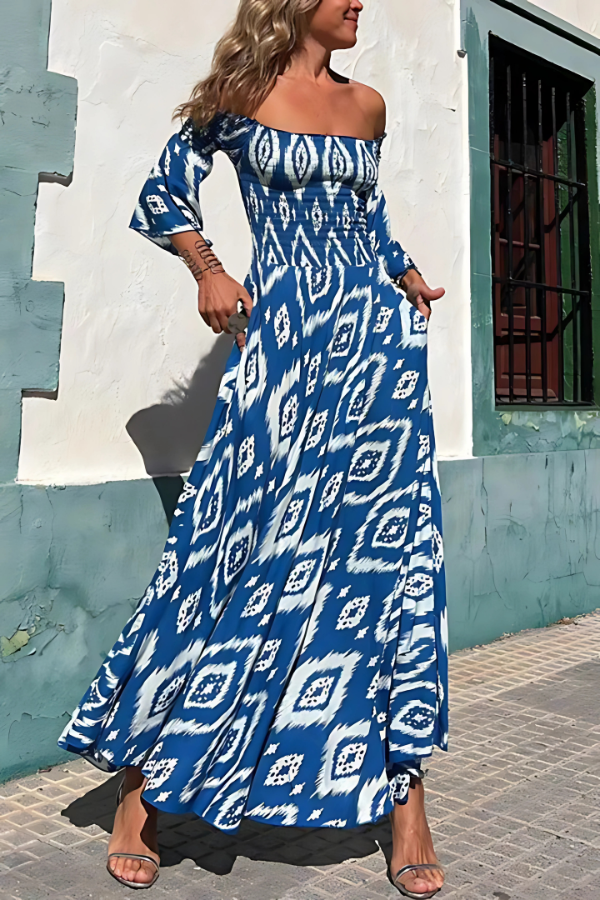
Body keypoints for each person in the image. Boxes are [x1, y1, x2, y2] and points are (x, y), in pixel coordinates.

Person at [58, 0, 448, 896]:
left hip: (377, 350)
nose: (360, 3)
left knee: (386, 562)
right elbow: (164, 190)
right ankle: (140, 791)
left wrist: (403, 272)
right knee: (229, 546)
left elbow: (369, 215)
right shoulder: (238, 95)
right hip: (283, 345)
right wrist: (208, 268)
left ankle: (406, 802)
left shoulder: (370, 105)